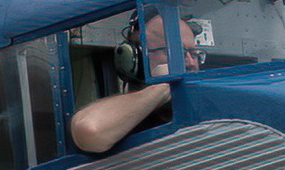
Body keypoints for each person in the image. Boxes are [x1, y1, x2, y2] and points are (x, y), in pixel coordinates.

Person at [70, 14, 202, 155]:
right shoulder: (124, 120)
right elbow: (90, 129)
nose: (191, 63)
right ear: (135, 58)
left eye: (193, 54)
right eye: (178, 52)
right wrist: (163, 87)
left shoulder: (205, 104)